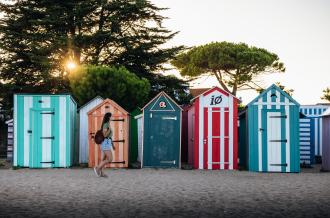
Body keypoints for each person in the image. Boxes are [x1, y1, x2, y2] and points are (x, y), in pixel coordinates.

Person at [94, 112, 115, 177]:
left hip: (107, 142)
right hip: (105, 143)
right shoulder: (106, 124)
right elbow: (104, 135)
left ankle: (102, 173)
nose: (112, 117)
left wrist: (112, 144)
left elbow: (109, 136)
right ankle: (97, 168)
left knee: (103, 159)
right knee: (110, 159)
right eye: (111, 116)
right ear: (109, 117)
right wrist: (109, 130)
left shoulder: (108, 124)